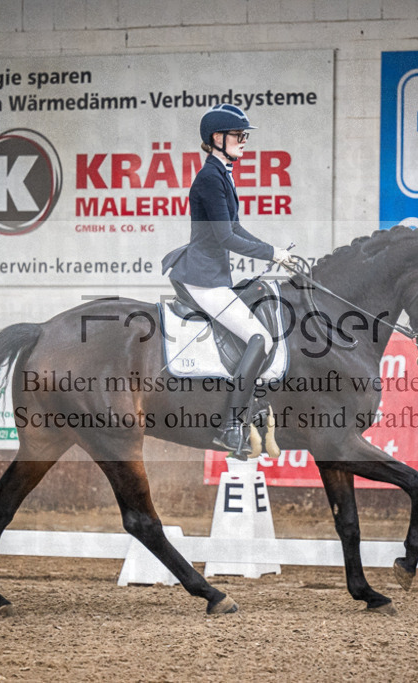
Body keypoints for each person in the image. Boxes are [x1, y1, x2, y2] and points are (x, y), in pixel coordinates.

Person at [162, 103, 291, 457]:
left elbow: (234, 227)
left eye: (245, 135)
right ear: (217, 138)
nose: (244, 140)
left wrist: (274, 249)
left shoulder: (222, 174)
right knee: (259, 337)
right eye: (238, 135)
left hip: (212, 275)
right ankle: (230, 425)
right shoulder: (209, 178)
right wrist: (270, 253)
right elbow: (225, 238)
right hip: (202, 279)